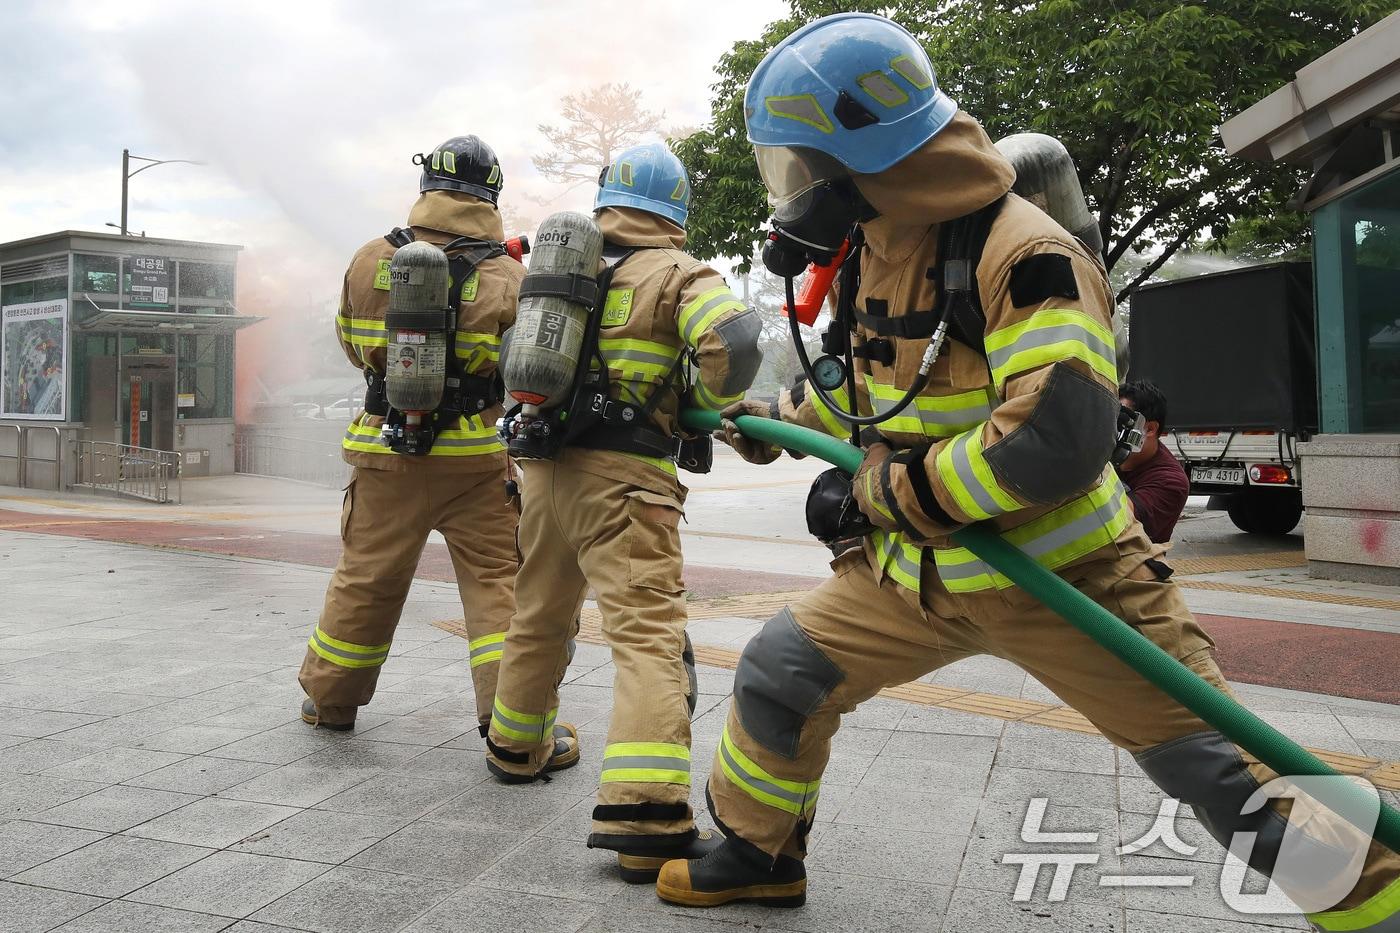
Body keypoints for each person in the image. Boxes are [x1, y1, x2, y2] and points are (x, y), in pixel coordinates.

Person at [657, 15, 1400, 931]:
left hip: (1060, 578)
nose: (792, 193)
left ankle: (1380, 899)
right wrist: (782, 424)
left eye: (799, 166)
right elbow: (874, 392)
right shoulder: (878, 247)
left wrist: (884, 492)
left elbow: (1051, 437)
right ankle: (757, 852)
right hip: (915, 577)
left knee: (1215, 763)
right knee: (780, 669)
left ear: (863, 152)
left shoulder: (1025, 250)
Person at [484, 142, 763, 883]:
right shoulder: (677, 272)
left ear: (608, 199)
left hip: (543, 473)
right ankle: (644, 811)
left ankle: (515, 746)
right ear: (677, 208)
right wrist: (705, 410)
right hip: (627, 482)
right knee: (647, 635)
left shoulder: (559, 276)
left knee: (539, 611)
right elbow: (733, 341)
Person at [297, 135, 553, 754]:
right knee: (497, 584)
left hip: (383, 451)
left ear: (426, 188)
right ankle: (510, 725)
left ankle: (331, 701)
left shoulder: (367, 261)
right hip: (475, 459)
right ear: (491, 192)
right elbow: (526, 372)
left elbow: (352, 347)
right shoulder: (507, 276)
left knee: (366, 576)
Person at [1117, 379, 1188, 544]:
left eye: (1121, 421)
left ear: (1149, 429)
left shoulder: (1171, 482)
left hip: (1129, 564)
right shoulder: (1111, 455)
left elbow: (1119, 518)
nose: (1112, 429)